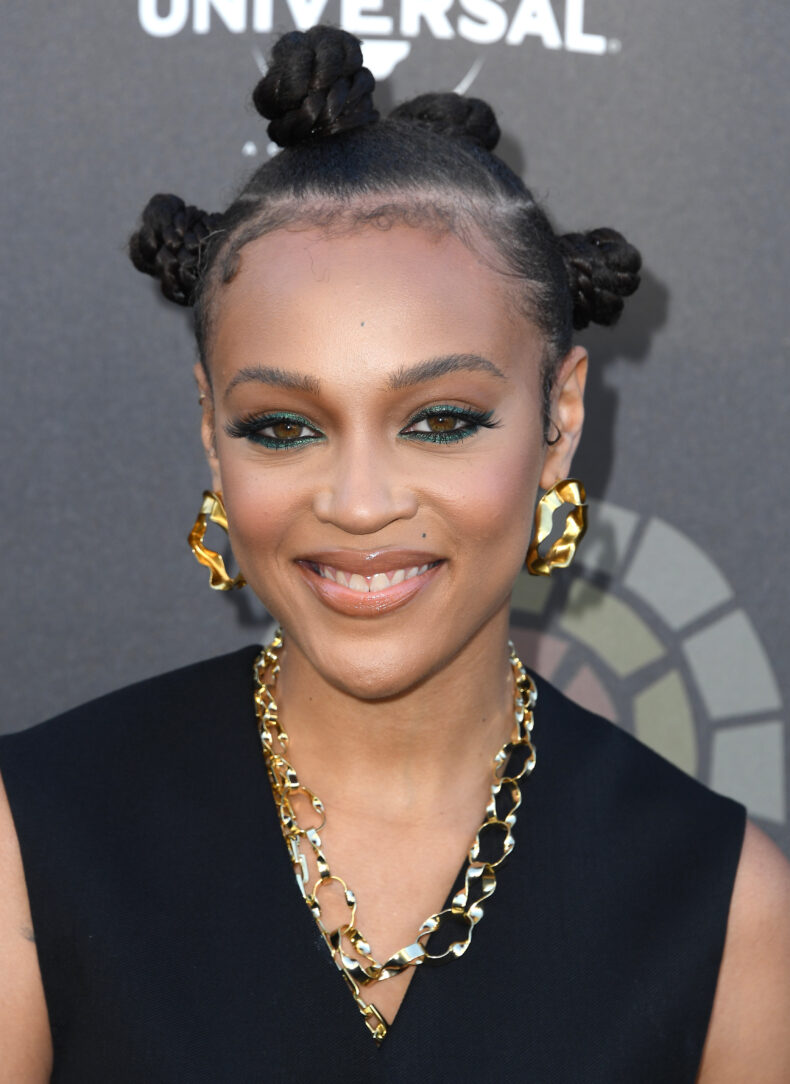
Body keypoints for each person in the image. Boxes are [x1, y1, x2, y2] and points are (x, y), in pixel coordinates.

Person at [1, 24, 789, 1083]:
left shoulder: (724, 907)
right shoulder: (33, 839)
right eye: (283, 427)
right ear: (211, 432)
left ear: (559, 419)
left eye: (441, 421)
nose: (360, 503)